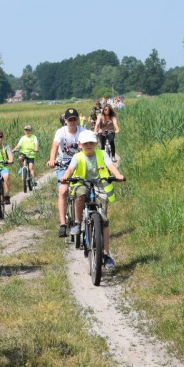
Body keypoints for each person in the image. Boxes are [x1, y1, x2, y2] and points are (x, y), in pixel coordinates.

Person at [60, 129, 125, 270]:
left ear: (95, 143)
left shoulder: (102, 154)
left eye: (91, 142)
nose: (88, 145)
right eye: (85, 143)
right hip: (82, 183)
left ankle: (106, 255)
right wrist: (65, 177)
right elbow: (70, 170)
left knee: (104, 221)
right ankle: (77, 222)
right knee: (80, 195)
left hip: (100, 184)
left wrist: (118, 175)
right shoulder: (77, 157)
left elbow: (110, 166)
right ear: (80, 145)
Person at [46, 107, 86, 237]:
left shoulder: (82, 131)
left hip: (79, 164)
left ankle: (79, 220)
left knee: (81, 191)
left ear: (77, 120)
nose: (72, 122)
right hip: (63, 164)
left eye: (74, 119)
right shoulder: (61, 132)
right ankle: (63, 224)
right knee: (63, 191)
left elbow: (89, 144)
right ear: (65, 121)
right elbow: (55, 146)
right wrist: (52, 159)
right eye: (70, 120)